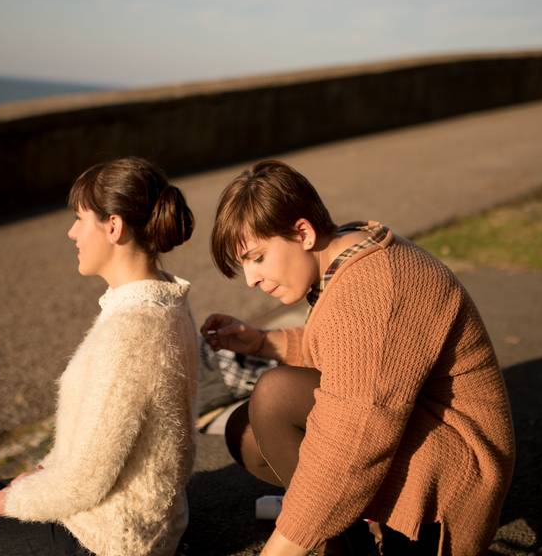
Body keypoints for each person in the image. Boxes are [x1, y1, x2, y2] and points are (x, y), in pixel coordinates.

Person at [201, 160, 515, 556]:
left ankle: (356, 541)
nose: (251, 279)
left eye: (258, 257)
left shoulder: (372, 287)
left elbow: (353, 441)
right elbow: (351, 354)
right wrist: (261, 343)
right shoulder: (345, 250)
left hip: (458, 474)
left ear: (302, 232)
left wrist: (282, 547)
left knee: (275, 397)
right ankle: (352, 533)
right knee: (246, 432)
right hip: (416, 432)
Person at [0, 157, 199, 556]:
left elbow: (88, 479)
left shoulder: (133, 330)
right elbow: (101, 439)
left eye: (80, 218)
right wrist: (42, 474)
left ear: (113, 226)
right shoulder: (159, 299)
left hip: (113, 539)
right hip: (138, 512)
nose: (72, 232)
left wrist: (20, 499)